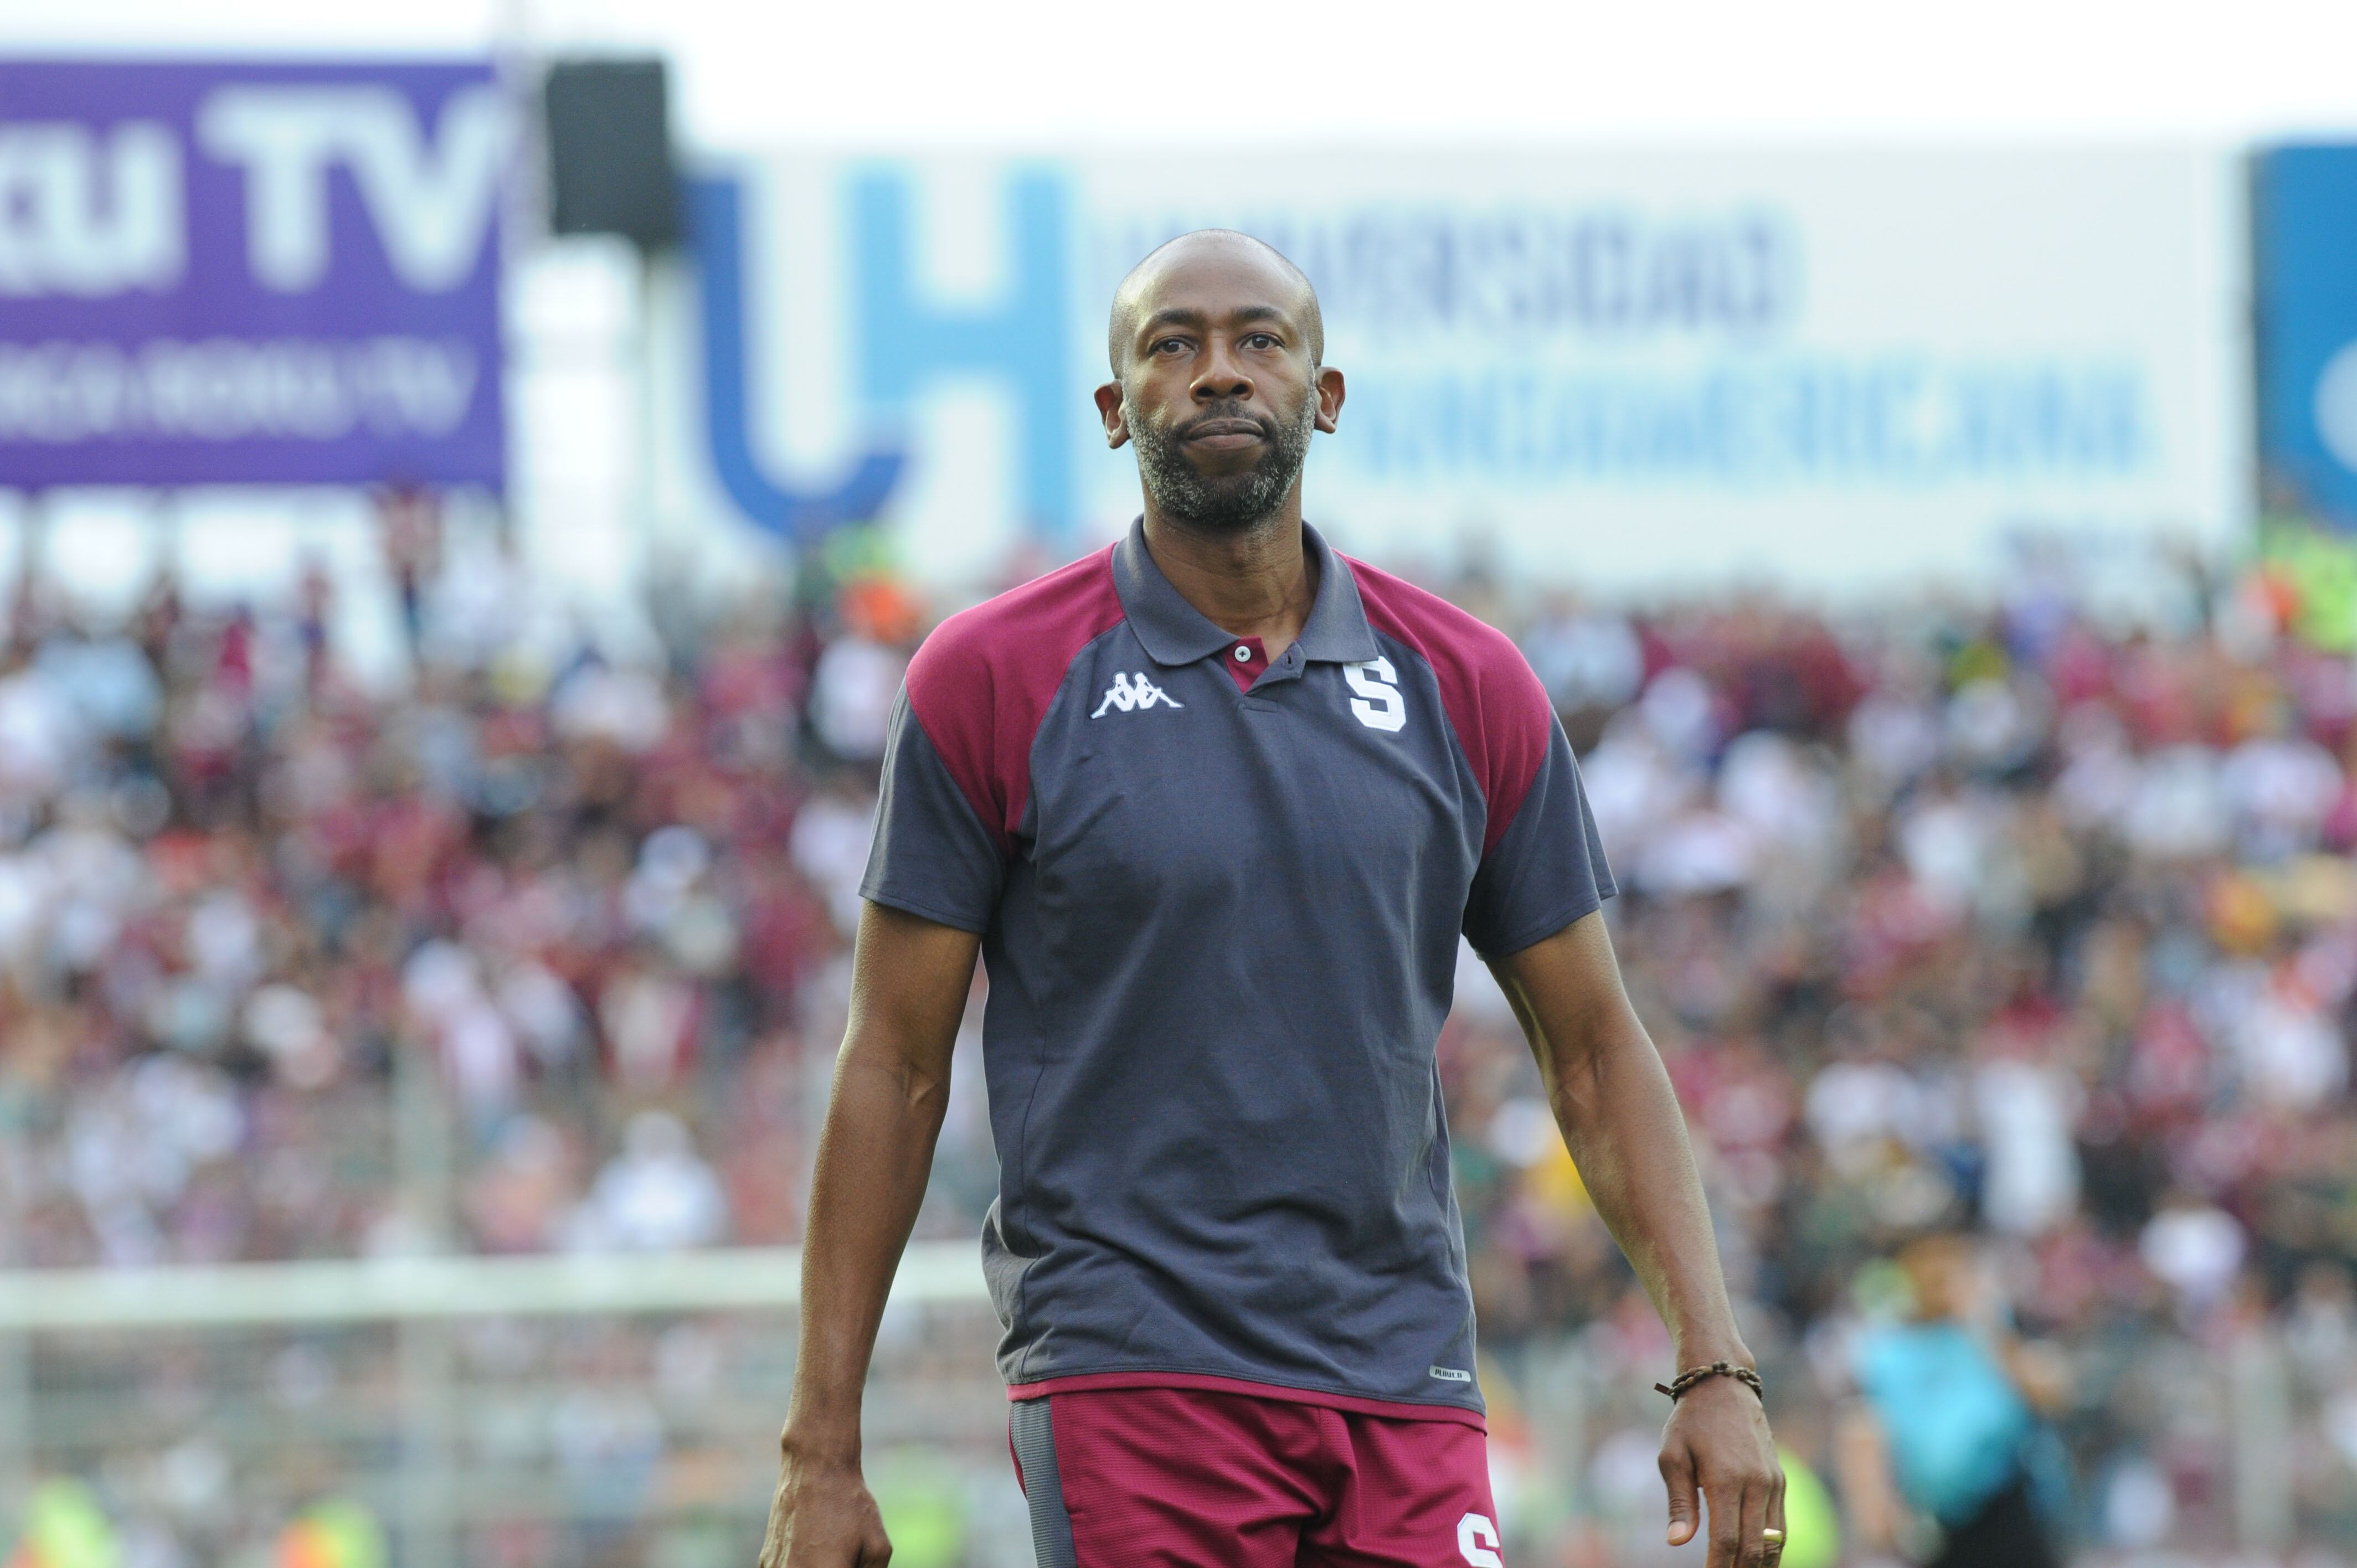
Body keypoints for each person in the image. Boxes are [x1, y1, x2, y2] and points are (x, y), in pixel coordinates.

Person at [756, 230, 1783, 1568]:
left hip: (1406, 1383)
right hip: (1135, 1376)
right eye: (1172, 346)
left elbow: (1594, 1048)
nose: (1219, 372)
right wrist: (820, 1450)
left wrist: (1717, 1364)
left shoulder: (1468, 682)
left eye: (1259, 340)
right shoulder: (990, 678)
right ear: (1117, 408)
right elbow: (891, 1067)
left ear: (1327, 391)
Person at [1837, 1234, 2067, 1568]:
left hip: (2004, 1507)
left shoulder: (1987, 1332)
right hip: (1934, 1523)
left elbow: (2048, 1394)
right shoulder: (1885, 1352)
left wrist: (1986, 1324)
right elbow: (1866, 1431)